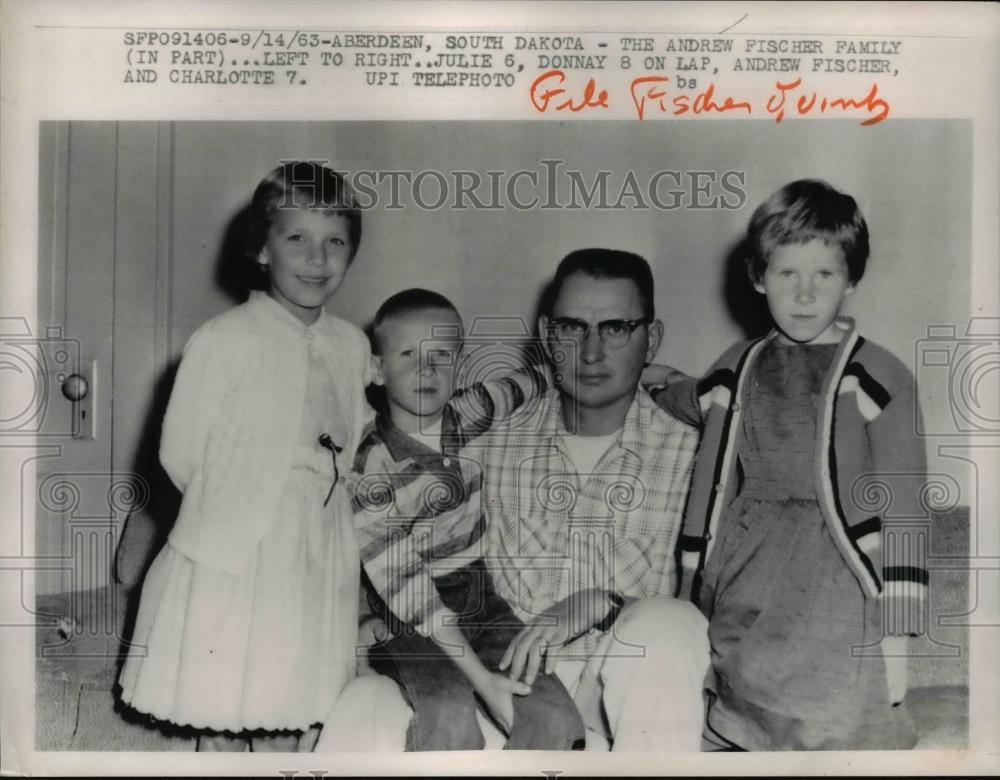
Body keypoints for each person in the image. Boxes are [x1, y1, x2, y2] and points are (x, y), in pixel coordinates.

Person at [645, 179, 925, 750]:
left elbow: (905, 505)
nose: (804, 294)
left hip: (839, 569)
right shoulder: (741, 363)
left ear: (852, 279)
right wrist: (661, 384)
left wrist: (899, 642)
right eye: (786, 274)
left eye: (824, 274)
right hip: (750, 554)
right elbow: (698, 396)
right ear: (757, 278)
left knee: (828, 712)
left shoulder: (880, 374)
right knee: (741, 694)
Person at [117, 162, 370, 752]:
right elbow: (180, 451)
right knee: (225, 686)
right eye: (296, 238)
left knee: (296, 688)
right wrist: (234, 505)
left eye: (336, 241)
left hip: (319, 537)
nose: (317, 258)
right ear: (261, 248)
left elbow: (352, 437)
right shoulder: (224, 338)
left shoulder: (352, 344)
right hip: (237, 537)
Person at [478, 248, 711, 752]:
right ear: (546, 334)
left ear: (653, 339)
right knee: (374, 706)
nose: (590, 351)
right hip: (507, 700)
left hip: (630, 709)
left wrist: (606, 605)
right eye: (571, 327)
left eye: (616, 328)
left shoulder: (699, 454)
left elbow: (718, 615)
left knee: (668, 623)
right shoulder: (485, 445)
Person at [350, 288, 585, 751]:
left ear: (459, 365)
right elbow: (408, 589)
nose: (426, 370)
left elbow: (527, 382)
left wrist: (644, 376)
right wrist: (482, 680)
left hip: (480, 597)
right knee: (450, 712)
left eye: (441, 355)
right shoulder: (373, 466)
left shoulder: (464, 413)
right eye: (408, 355)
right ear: (377, 370)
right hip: (407, 612)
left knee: (557, 719)